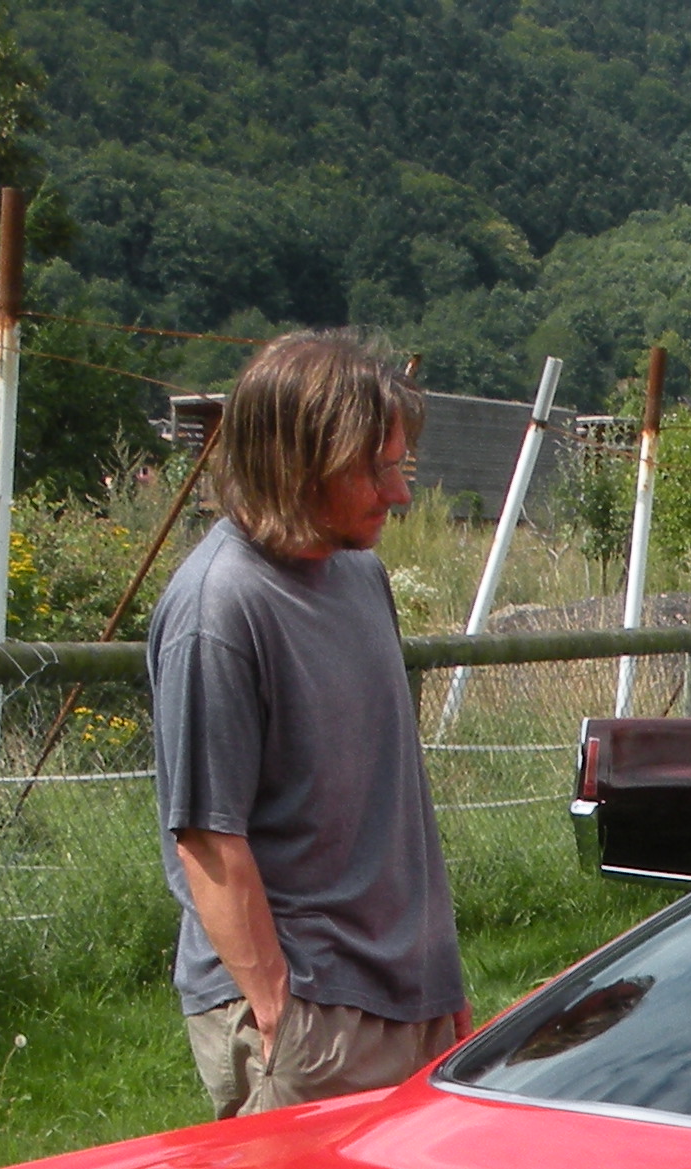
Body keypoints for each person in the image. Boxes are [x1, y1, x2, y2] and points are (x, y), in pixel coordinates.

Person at [151, 330, 469, 1117]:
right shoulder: (218, 609)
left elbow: (395, 804)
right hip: (312, 1016)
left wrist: (440, 980)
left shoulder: (362, 576)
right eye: (375, 469)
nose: (398, 494)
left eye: (400, 465)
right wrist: (278, 1015)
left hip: (409, 1002)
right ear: (298, 462)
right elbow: (206, 839)